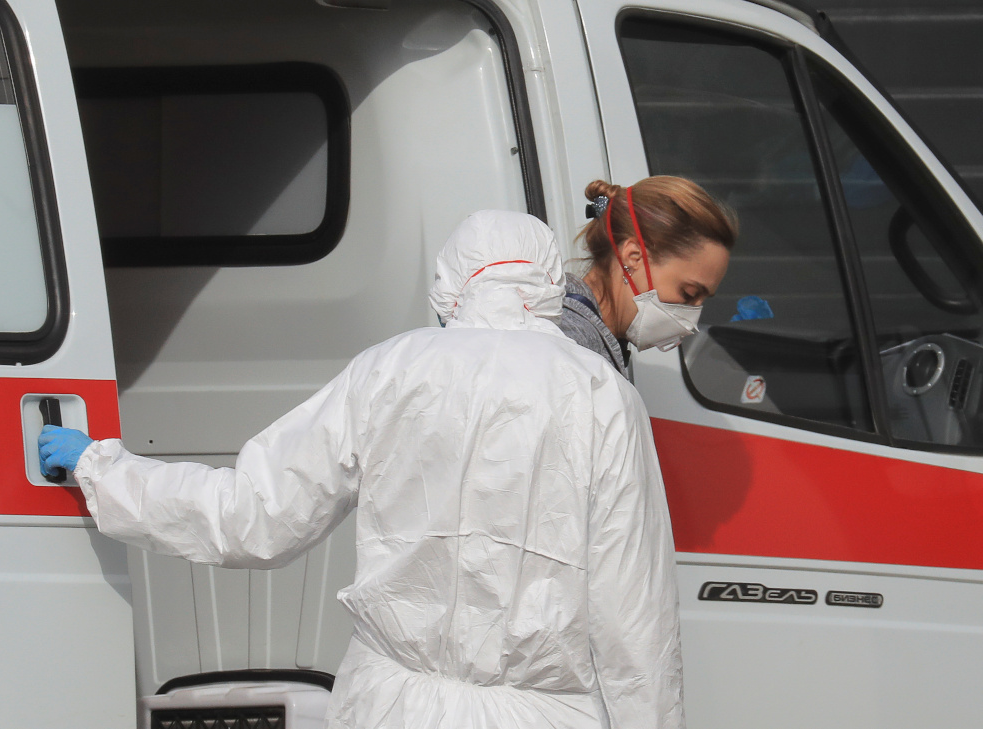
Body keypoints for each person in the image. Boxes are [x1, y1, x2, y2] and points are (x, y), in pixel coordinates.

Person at [39, 210, 685, 729]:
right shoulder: (603, 396)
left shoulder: (390, 370)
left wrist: (103, 468)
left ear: (449, 287)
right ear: (548, 286)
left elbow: (252, 515)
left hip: (390, 705)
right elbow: (636, 623)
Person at [561, 177, 738, 374]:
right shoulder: (572, 347)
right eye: (688, 293)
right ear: (633, 256)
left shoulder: (593, 343)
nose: (691, 323)